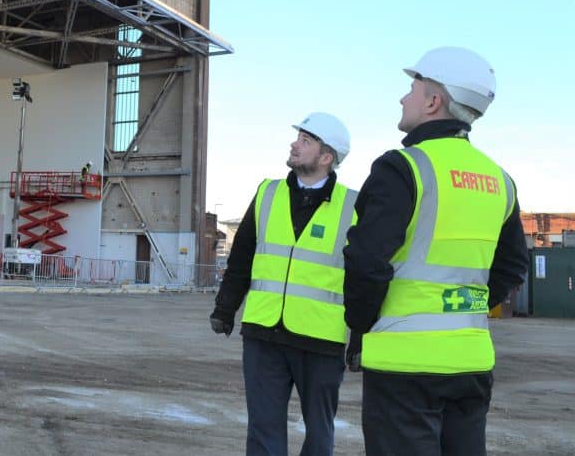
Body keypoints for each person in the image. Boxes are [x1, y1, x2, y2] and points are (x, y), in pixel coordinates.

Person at [342, 47, 529, 455]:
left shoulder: (403, 167)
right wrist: (467, 307)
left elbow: (367, 262)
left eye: (412, 89)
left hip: (404, 366)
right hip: (471, 363)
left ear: (433, 102)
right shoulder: (499, 180)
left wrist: (361, 326)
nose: (402, 98)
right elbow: (514, 264)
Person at [210, 112, 357, 456]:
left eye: (306, 141)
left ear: (326, 157)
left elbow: (362, 276)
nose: (294, 144)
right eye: (297, 138)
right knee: (263, 430)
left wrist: (361, 337)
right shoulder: (268, 193)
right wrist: (225, 308)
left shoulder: (353, 206)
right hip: (263, 335)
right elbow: (242, 256)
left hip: (321, 342)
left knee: (319, 433)